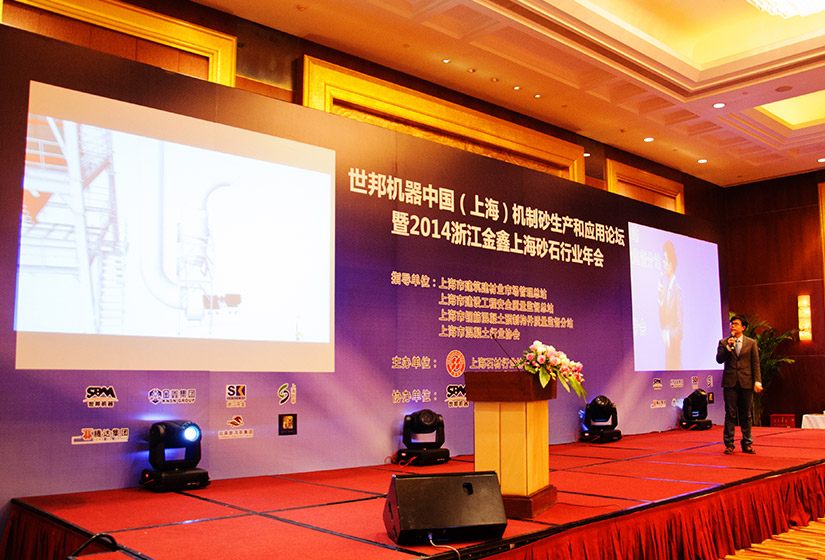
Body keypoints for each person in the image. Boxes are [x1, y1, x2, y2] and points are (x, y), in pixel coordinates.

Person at [716, 314, 762, 454]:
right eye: (731, 323)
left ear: (743, 327)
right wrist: (728, 348)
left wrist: (757, 381)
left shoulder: (751, 343)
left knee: (745, 415)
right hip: (730, 382)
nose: (733, 326)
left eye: (736, 324)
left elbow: (755, 363)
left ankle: (747, 443)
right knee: (730, 414)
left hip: (746, 382)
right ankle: (729, 444)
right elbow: (719, 359)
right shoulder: (724, 342)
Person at [658, 240, 683, 370]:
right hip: (669, 353)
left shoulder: (676, 290)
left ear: (671, 264)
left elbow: (679, 329)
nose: (663, 263)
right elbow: (664, 321)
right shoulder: (668, 287)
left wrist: (667, 335)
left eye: (665, 259)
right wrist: (660, 298)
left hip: (675, 355)